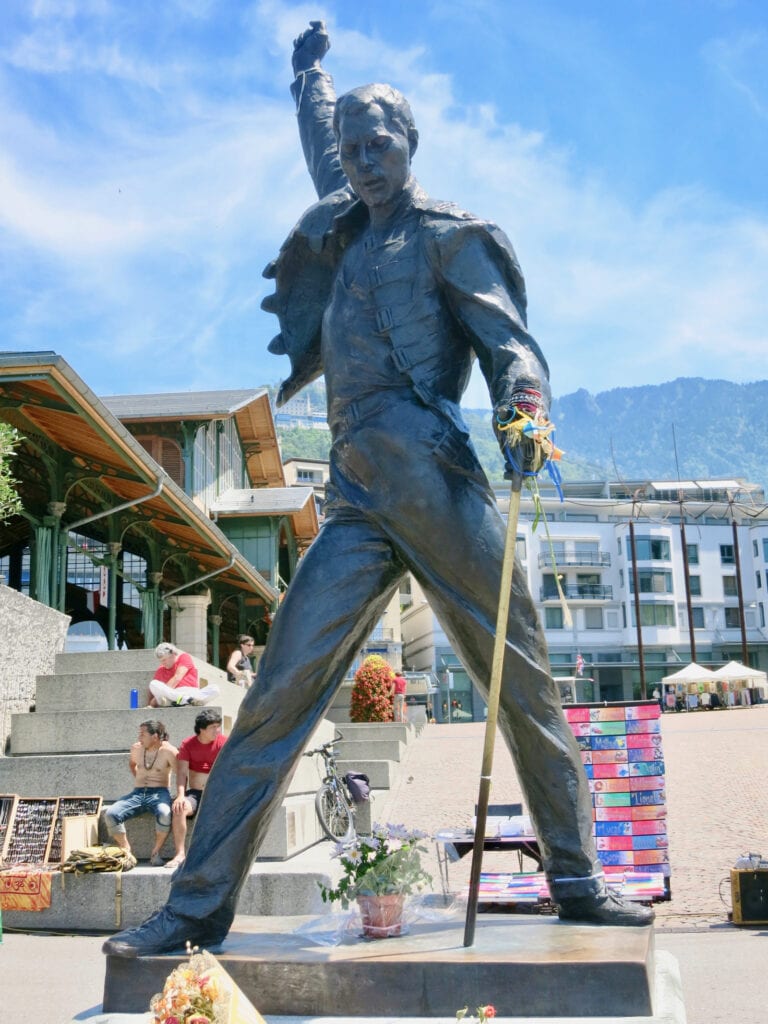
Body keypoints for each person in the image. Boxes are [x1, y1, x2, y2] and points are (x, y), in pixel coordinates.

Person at [103, 22, 651, 958]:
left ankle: (577, 877)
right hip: (355, 496)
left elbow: (512, 348)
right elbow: (320, 134)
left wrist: (524, 414)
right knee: (276, 694)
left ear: (410, 144)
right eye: (352, 149)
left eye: (377, 145)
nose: (360, 161)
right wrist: (308, 75)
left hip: (437, 483)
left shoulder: (452, 238)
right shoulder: (344, 213)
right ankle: (194, 909)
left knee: (522, 683)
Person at [103, 720, 178, 866]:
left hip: (159, 792)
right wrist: (139, 778)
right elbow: (132, 764)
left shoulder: (169, 751)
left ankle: (156, 851)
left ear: (155, 736)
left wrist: (180, 796)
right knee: (111, 814)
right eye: (139, 734)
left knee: (165, 813)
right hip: (137, 793)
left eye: (143, 735)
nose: (139, 738)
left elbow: (181, 773)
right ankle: (126, 848)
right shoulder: (136, 749)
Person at [165, 710, 227, 871]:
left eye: (218, 726)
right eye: (213, 727)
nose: (217, 730)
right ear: (202, 729)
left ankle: (221, 855)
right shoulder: (188, 744)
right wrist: (180, 795)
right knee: (179, 808)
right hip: (196, 793)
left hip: (218, 793)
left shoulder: (223, 742)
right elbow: (182, 773)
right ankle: (180, 854)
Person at [147, 642, 220, 708]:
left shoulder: (184, 657)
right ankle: (187, 701)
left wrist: (155, 701)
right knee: (153, 684)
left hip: (191, 693)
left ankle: (188, 701)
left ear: (173, 655)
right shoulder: (160, 669)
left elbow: (177, 678)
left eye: (164, 660)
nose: (162, 663)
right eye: (160, 661)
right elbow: (154, 691)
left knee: (215, 688)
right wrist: (152, 704)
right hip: (173, 698)